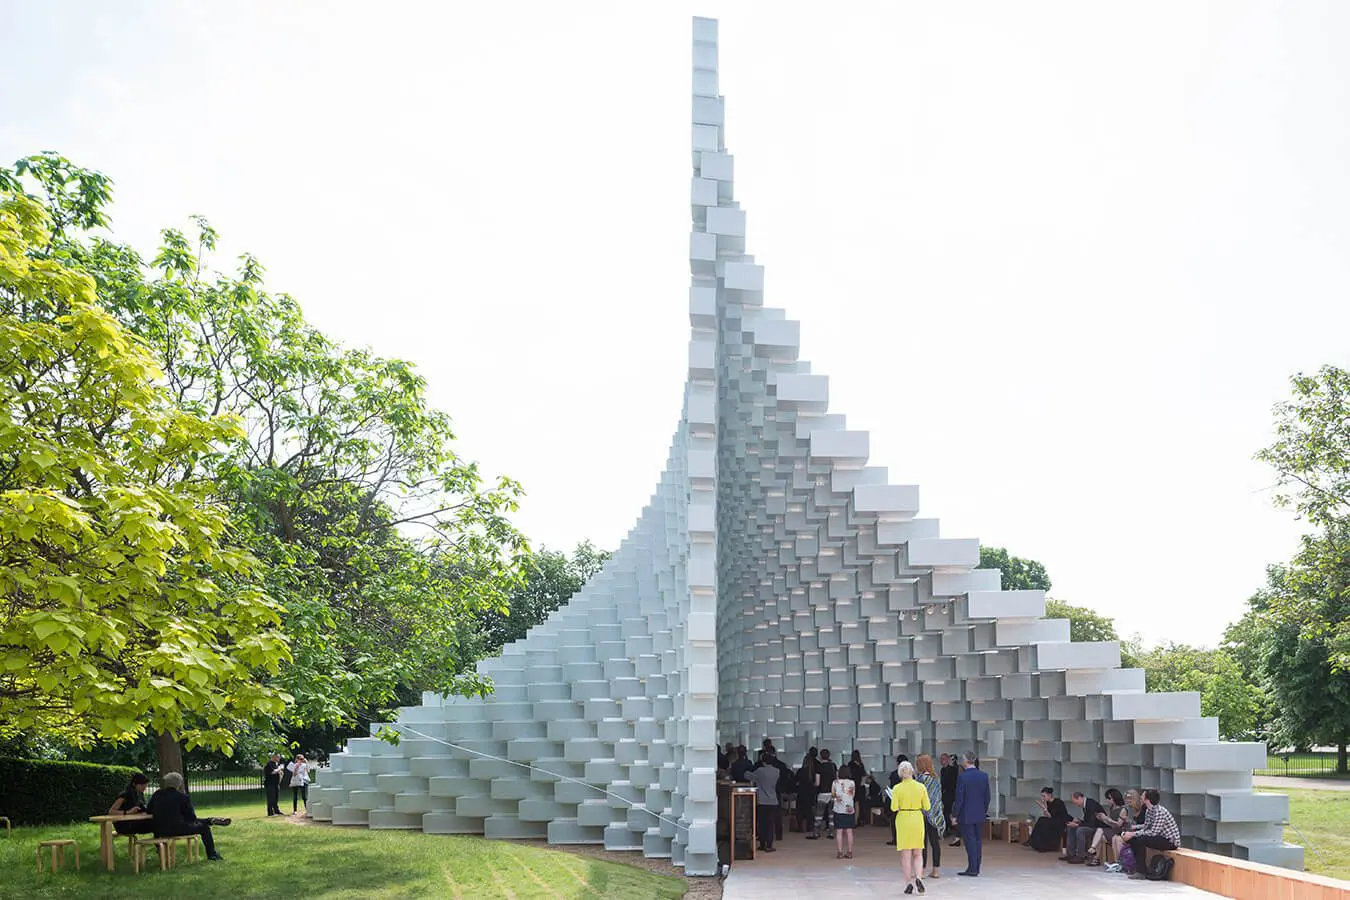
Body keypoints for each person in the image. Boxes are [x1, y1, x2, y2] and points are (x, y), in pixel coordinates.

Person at [147, 772, 230, 861]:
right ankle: (212, 854)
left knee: (192, 822)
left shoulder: (157, 794)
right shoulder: (183, 797)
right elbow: (191, 818)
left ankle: (210, 820)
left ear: (166, 783)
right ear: (179, 784)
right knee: (205, 828)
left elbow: (149, 810)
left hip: (160, 830)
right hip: (178, 829)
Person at [1120, 789, 1180, 879]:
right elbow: (1146, 826)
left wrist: (1133, 834)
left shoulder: (1159, 812)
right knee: (1134, 839)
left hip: (1170, 841)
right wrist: (1133, 829)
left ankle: (1141, 871)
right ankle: (1138, 868)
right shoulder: (1149, 810)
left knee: (1140, 839)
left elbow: (1153, 832)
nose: (1141, 797)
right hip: (1159, 837)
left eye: (1143, 796)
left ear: (1147, 799)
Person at [890, 761, 929, 894]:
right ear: (912, 771)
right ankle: (918, 877)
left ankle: (908, 883)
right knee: (918, 853)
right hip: (917, 818)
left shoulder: (897, 788)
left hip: (903, 819)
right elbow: (927, 806)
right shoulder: (921, 787)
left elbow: (893, 807)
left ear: (900, 773)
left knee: (905, 855)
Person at [951, 750, 989, 877]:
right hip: (979, 813)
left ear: (966, 760)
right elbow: (987, 797)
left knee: (970, 841)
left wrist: (955, 814)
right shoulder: (983, 776)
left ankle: (972, 868)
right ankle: (976, 867)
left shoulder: (962, 777)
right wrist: (983, 810)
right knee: (978, 841)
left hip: (966, 814)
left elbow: (959, 799)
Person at [915, 754, 945, 879]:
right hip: (935, 813)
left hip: (922, 814)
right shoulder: (936, 779)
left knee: (922, 843)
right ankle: (936, 870)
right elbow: (938, 797)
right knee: (935, 843)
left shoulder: (919, 780)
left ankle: (921, 870)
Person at [746, 754, 781, 853]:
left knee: (762, 823)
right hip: (773, 800)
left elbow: (748, 776)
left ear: (763, 762)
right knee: (770, 823)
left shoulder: (760, 771)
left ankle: (762, 844)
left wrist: (746, 771)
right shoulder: (777, 771)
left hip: (762, 800)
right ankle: (769, 845)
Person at [1063, 790, 1106, 863]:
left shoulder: (1091, 804)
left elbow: (1092, 823)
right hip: (1091, 825)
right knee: (1071, 827)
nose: (1076, 805)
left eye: (1076, 802)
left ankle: (1081, 856)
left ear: (1080, 798)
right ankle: (1071, 854)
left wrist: (1078, 825)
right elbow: (1087, 821)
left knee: (1080, 830)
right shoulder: (1085, 805)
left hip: (1098, 827)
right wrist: (1079, 821)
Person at [1025, 786, 1072, 852]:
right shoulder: (1048, 802)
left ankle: (1042, 845)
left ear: (1049, 795)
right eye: (1042, 796)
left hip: (1061, 821)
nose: (1043, 798)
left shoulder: (1058, 802)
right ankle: (1034, 842)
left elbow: (1051, 816)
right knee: (1041, 819)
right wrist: (1044, 805)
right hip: (1054, 820)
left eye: (1044, 796)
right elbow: (1047, 815)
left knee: (1043, 821)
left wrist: (1043, 807)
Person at [1087, 788, 1126, 865]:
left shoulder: (1123, 809)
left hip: (1120, 832)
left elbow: (1119, 824)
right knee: (1100, 836)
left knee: (1100, 830)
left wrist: (1107, 818)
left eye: (1109, 798)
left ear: (1114, 798)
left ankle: (1093, 849)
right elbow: (1111, 824)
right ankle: (1096, 858)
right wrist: (1103, 819)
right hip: (1112, 831)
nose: (1107, 800)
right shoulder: (1112, 808)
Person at [830, 763, 857, 859]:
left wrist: (838, 798)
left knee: (839, 831)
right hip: (849, 810)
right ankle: (849, 852)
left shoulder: (835, 782)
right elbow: (853, 795)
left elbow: (833, 796)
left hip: (838, 809)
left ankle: (839, 852)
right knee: (849, 831)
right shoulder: (852, 783)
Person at [885, 754, 910, 845]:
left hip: (897, 799)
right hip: (907, 800)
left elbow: (892, 787)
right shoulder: (911, 775)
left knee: (895, 820)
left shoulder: (894, 774)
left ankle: (896, 839)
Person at [797, 749, 819, 837]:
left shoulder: (801, 771)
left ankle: (801, 826)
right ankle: (810, 826)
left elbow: (795, 781)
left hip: (801, 792)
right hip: (811, 793)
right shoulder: (813, 772)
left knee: (800, 810)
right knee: (810, 811)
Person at [939, 753, 960, 847]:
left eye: (943, 759)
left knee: (951, 813)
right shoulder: (942, 770)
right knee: (945, 813)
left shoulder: (953, 770)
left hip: (952, 794)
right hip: (945, 794)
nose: (941, 761)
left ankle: (953, 830)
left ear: (948, 760)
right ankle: (947, 829)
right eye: (941, 759)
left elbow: (953, 783)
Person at [816, 749, 838, 838]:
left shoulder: (819, 766)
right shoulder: (833, 765)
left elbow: (817, 783)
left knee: (819, 814)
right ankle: (831, 833)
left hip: (822, 793)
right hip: (832, 793)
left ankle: (817, 832)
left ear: (820, 756)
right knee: (831, 815)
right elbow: (836, 780)